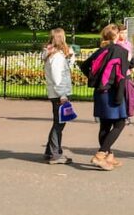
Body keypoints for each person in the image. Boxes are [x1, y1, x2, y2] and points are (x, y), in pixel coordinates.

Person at [81, 24, 132, 170]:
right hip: (113, 91)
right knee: (120, 122)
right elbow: (121, 76)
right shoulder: (120, 51)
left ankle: (109, 155)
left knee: (104, 125)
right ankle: (101, 154)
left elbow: (84, 65)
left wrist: (95, 79)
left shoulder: (101, 50)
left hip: (100, 91)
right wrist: (119, 96)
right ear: (116, 35)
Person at [43, 28, 74, 164]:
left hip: (56, 93)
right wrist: (63, 95)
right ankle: (55, 153)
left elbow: (65, 70)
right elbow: (58, 77)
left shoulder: (54, 55)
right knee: (59, 124)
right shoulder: (56, 57)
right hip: (59, 94)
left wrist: (71, 58)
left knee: (58, 122)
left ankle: (50, 151)